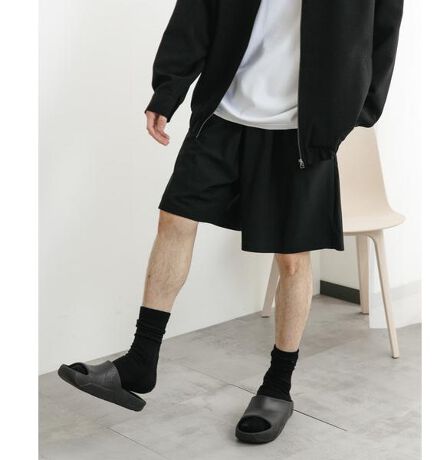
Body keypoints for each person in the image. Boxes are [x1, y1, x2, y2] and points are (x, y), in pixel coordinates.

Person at [58, 0, 403, 444]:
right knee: (175, 217)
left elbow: (385, 26)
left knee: (292, 259)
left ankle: (278, 386)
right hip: (224, 112)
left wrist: (359, 108)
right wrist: (168, 89)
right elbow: (196, 12)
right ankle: (141, 360)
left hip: (302, 129)